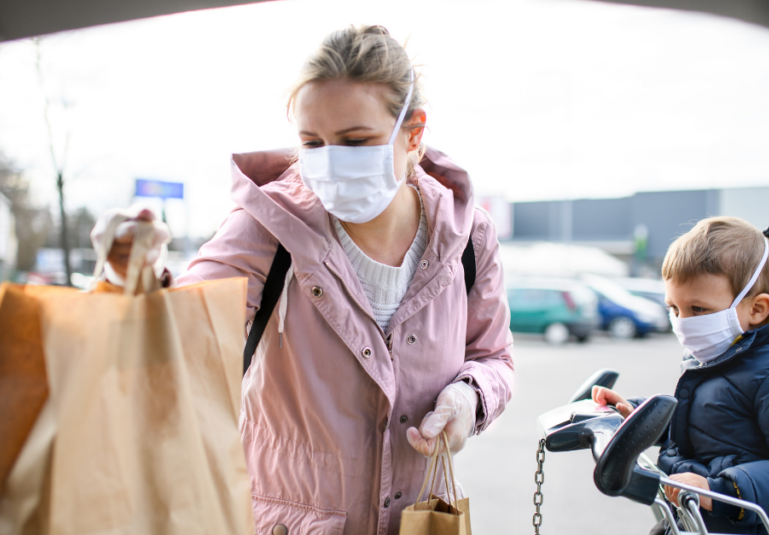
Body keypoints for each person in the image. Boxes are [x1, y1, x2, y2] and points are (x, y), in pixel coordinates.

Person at [95, 25, 514, 535]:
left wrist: (468, 399)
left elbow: (493, 358)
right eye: (312, 143)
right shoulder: (267, 224)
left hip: (421, 520)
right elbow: (180, 327)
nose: (331, 162)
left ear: (414, 133)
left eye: (356, 141)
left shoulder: (468, 235)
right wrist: (130, 280)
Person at [594, 216, 769, 535]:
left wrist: (720, 490)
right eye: (674, 308)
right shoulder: (724, 352)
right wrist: (639, 413)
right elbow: (709, 423)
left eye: (698, 309)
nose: (682, 322)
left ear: (757, 309)